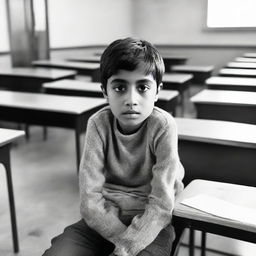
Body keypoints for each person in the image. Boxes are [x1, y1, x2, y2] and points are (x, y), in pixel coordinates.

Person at [42, 37, 184, 256]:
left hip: (151, 223)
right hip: (104, 217)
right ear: (104, 91)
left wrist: (127, 246)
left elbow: (161, 205)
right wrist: (123, 243)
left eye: (143, 87)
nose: (131, 99)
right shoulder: (97, 124)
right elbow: (90, 202)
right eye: (119, 87)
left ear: (157, 91)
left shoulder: (163, 126)